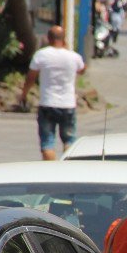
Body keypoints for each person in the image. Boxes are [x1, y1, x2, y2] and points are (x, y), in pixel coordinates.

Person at [20, 26, 86, 161]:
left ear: (48, 38)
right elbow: (82, 70)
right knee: (69, 140)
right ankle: (67, 169)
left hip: (47, 103)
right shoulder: (73, 57)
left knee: (47, 142)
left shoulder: (41, 55)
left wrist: (24, 94)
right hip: (68, 104)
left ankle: (51, 170)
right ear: (64, 39)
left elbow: (30, 78)